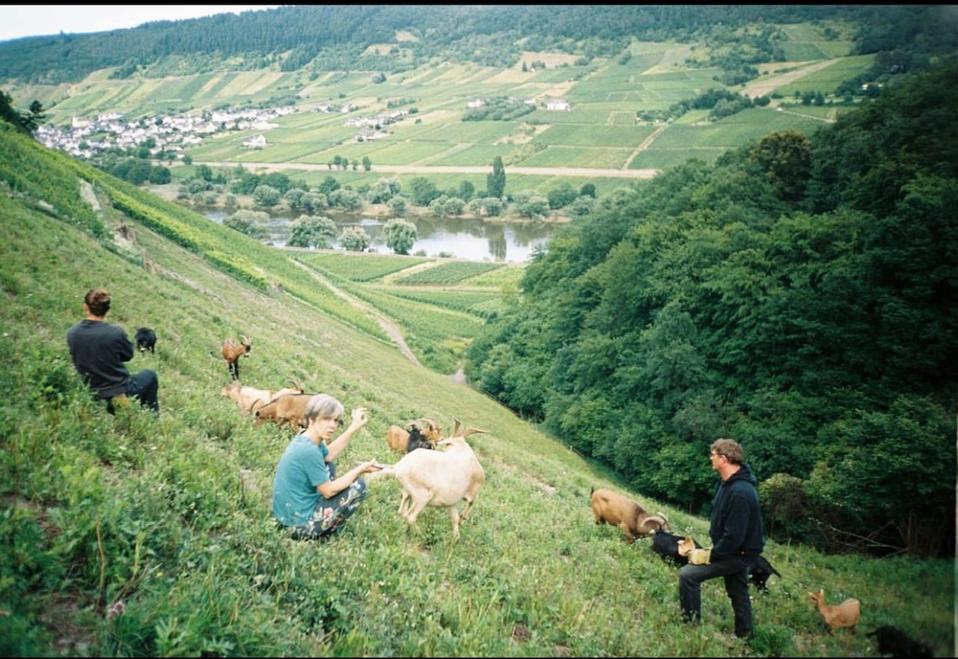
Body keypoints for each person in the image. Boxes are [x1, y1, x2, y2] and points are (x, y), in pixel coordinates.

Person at [679, 438, 765, 640]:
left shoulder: (741, 492)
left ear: (724, 459)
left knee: (688, 575)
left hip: (738, 553)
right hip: (733, 550)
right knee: (738, 590)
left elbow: (734, 537)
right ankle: (745, 636)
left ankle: (690, 627)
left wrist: (709, 555)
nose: (710, 458)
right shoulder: (728, 484)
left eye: (713, 455)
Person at [271, 394, 381, 540]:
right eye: (326, 419)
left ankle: (321, 517)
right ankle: (322, 535)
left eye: (336, 420)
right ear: (312, 419)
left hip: (287, 514)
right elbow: (328, 491)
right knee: (359, 486)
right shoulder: (309, 451)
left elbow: (328, 455)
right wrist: (360, 469)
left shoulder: (307, 437)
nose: (333, 425)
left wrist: (352, 428)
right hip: (297, 525)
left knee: (328, 465)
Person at [66, 288, 159, 414]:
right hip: (118, 389)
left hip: (91, 389)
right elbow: (128, 355)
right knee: (150, 375)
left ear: (85, 307)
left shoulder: (72, 333)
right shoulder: (115, 333)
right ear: (107, 310)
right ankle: (150, 417)